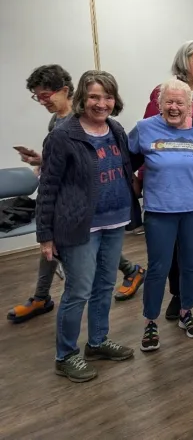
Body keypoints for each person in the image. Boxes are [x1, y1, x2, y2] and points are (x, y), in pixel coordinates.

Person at [8, 66, 144, 324]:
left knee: (97, 272)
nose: (43, 101)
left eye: (46, 95)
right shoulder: (58, 126)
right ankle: (43, 301)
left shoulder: (110, 127)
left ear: (66, 91)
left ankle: (50, 301)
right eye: (38, 97)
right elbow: (59, 170)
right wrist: (41, 160)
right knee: (78, 277)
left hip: (102, 213)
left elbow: (115, 162)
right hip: (72, 210)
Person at [36, 71, 140, 382]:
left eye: (107, 97)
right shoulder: (62, 136)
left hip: (116, 220)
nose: (101, 103)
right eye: (94, 96)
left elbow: (125, 166)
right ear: (82, 97)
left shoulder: (116, 129)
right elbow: (48, 188)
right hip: (80, 226)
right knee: (78, 291)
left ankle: (97, 341)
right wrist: (45, 236)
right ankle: (65, 355)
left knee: (105, 286)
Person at [142, 40, 193, 320]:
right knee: (172, 247)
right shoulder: (164, 92)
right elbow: (146, 140)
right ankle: (178, 294)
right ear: (184, 62)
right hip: (168, 188)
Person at [130, 78, 193, 352]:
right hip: (159, 211)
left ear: (190, 105)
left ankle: (186, 312)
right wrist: (132, 191)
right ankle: (150, 321)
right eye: (169, 102)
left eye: (181, 102)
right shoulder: (145, 129)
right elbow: (125, 162)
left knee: (192, 264)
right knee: (158, 267)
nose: (175, 107)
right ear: (159, 104)